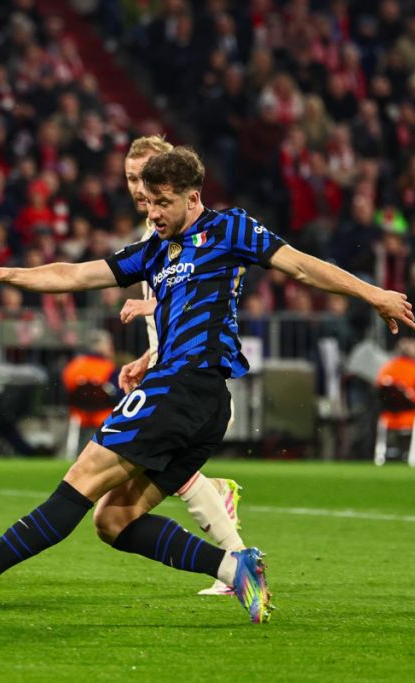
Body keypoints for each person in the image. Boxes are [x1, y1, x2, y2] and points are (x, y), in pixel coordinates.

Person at [0, 147, 415, 624]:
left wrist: (374, 294)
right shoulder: (153, 251)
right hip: (193, 398)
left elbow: (302, 267)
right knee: (113, 520)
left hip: (187, 387)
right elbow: (76, 275)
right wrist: (4, 274)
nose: (153, 214)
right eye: (148, 203)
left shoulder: (230, 229)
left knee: (81, 477)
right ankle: (233, 567)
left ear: (193, 197)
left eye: (164, 203)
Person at [117, 135, 249, 596]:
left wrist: (151, 306)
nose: (140, 187)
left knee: (133, 477)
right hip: (166, 368)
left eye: (147, 175)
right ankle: (232, 553)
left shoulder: (200, 233)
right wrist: (148, 356)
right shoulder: (152, 238)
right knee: (155, 474)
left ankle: (235, 562)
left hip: (191, 377)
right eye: (132, 178)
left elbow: (205, 295)